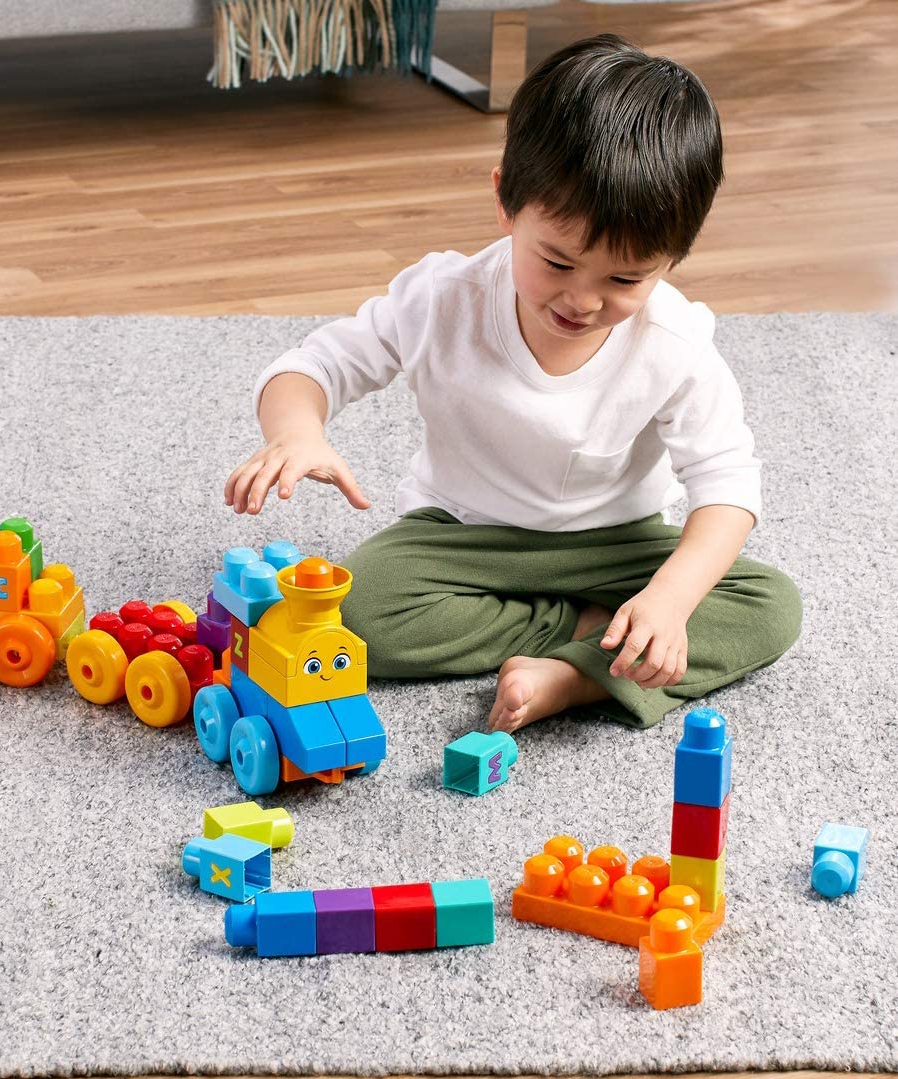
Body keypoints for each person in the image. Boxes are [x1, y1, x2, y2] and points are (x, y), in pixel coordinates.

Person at [223, 33, 801, 732]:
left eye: (624, 279)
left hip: (617, 543)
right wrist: (296, 433)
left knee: (769, 606)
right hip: (463, 537)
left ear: (673, 259)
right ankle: (593, 632)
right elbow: (313, 366)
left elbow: (727, 483)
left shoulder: (674, 340)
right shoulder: (442, 297)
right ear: (505, 201)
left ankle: (572, 677)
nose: (582, 300)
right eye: (556, 262)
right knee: (358, 617)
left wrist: (671, 599)